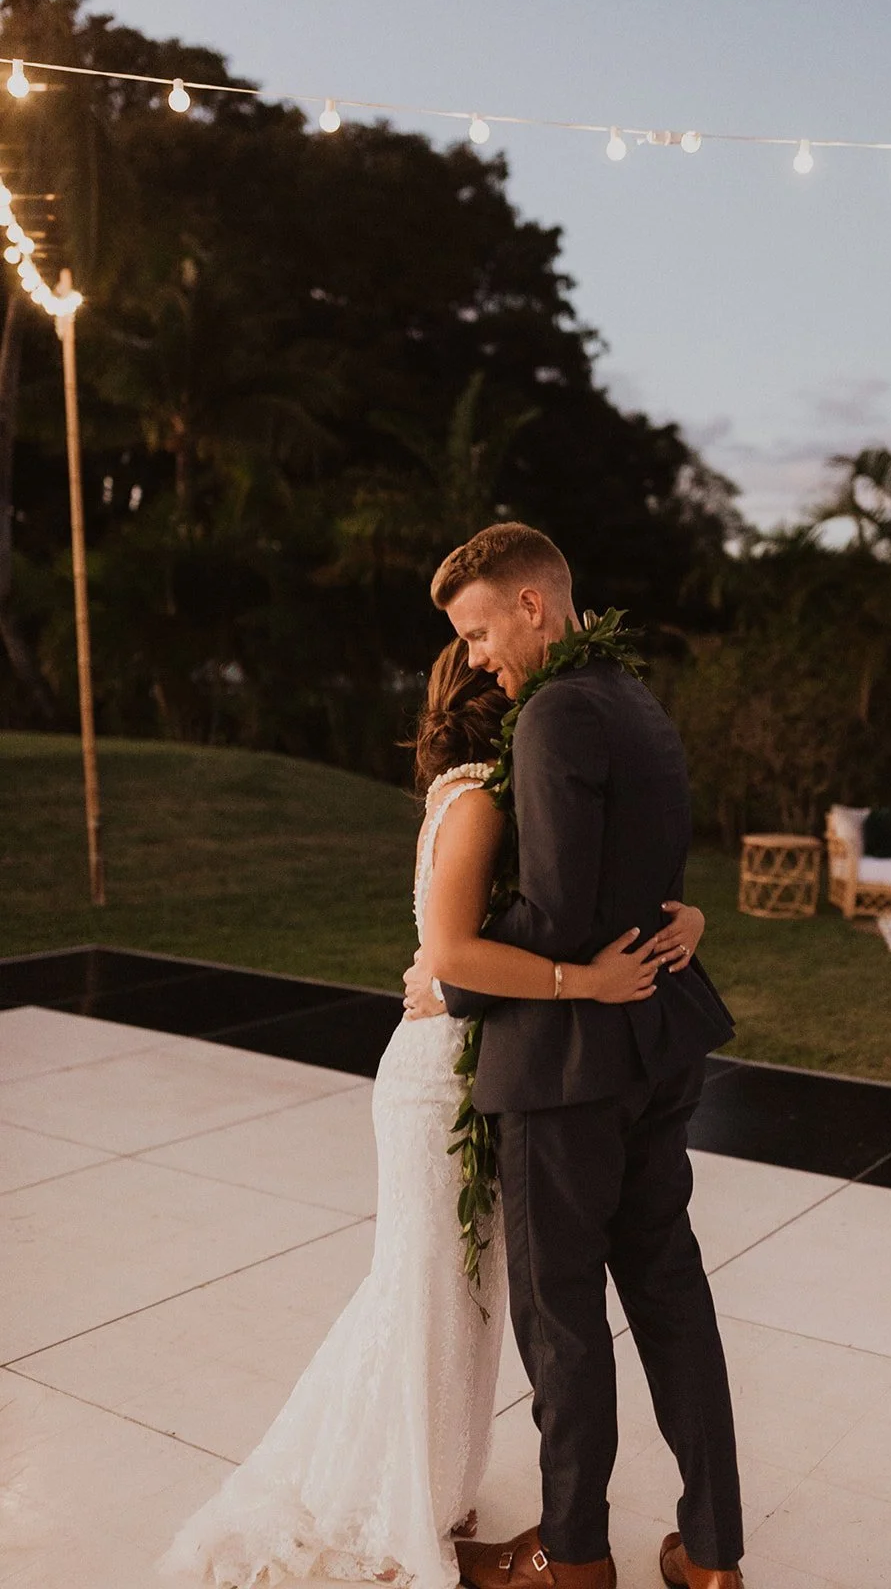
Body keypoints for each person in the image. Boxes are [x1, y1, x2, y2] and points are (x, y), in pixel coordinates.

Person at [159, 637, 703, 1589]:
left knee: (455, 1291)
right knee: (429, 1289)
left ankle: (427, 1481)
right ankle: (391, 1497)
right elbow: (454, 953)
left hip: (472, 1063)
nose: (522, 682)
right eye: (501, 670)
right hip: (438, 1080)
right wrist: (581, 981)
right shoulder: (481, 799)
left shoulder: (488, 794)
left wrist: (686, 917)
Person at [404, 523, 744, 1589]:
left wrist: (451, 972)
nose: (475, 660)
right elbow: (643, 877)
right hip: (656, 1047)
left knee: (561, 1324)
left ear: (532, 604)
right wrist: (680, 921)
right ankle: (713, 1553)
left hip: (566, 1071)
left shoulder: (552, 712)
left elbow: (552, 912)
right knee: (669, 1293)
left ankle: (574, 1555)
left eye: (478, 633)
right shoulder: (634, 699)